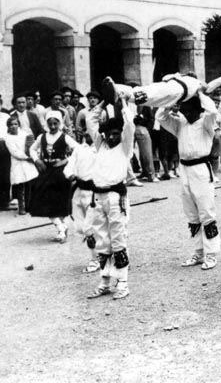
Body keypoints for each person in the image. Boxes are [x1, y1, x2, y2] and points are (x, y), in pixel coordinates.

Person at [156, 93, 221, 269]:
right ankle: (198, 253)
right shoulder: (180, 124)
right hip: (184, 169)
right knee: (192, 214)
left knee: (206, 213)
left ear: (198, 109)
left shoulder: (206, 123)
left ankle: (211, 254)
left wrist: (198, 93)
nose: (188, 113)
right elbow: (160, 117)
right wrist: (170, 103)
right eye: (185, 109)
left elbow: (212, 110)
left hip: (201, 169)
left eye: (191, 109)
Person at [85, 97, 135, 300]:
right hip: (98, 197)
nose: (112, 137)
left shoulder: (125, 146)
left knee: (118, 239)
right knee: (102, 241)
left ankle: (122, 282)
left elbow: (129, 125)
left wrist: (123, 103)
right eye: (109, 134)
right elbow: (90, 121)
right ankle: (105, 281)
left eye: (116, 133)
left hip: (115, 197)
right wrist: (103, 103)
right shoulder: (101, 144)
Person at [29, 110, 79, 243]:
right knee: (43, 200)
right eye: (50, 124)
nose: (52, 126)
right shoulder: (42, 137)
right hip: (46, 171)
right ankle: (61, 227)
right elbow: (32, 149)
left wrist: (67, 161)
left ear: (59, 123)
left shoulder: (64, 137)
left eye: (55, 124)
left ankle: (61, 229)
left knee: (58, 201)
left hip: (60, 173)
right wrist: (37, 160)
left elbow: (78, 149)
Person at [63, 128, 99, 273]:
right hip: (79, 191)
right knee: (79, 227)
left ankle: (95, 259)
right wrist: (70, 174)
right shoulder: (79, 149)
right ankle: (99, 253)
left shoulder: (101, 149)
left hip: (94, 192)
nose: (88, 134)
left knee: (89, 228)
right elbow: (69, 165)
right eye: (86, 131)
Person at [3, 116, 37, 215]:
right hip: (17, 162)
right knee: (20, 185)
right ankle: (21, 207)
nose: (13, 126)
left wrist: (32, 155)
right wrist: (26, 157)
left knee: (29, 184)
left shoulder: (24, 134)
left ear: (18, 125)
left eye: (15, 124)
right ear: (8, 127)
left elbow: (31, 145)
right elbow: (14, 152)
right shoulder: (8, 138)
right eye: (11, 125)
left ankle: (29, 206)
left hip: (28, 162)